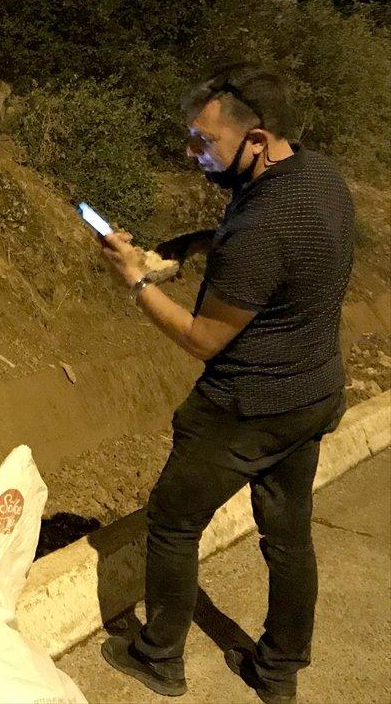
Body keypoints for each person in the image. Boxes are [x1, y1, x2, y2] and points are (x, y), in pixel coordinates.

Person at [95, 63, 355, 704]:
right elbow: (261, 246)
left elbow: (200, 338)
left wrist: (136, 278)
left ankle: (160, 657)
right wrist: (192, 243)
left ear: (258, 140)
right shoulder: (318, 175)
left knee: (174, 522)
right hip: (313, 392)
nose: (193, 154)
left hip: (246, 407)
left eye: (205, 142)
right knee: (288, 533)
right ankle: (279, 669)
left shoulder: (261, 228)